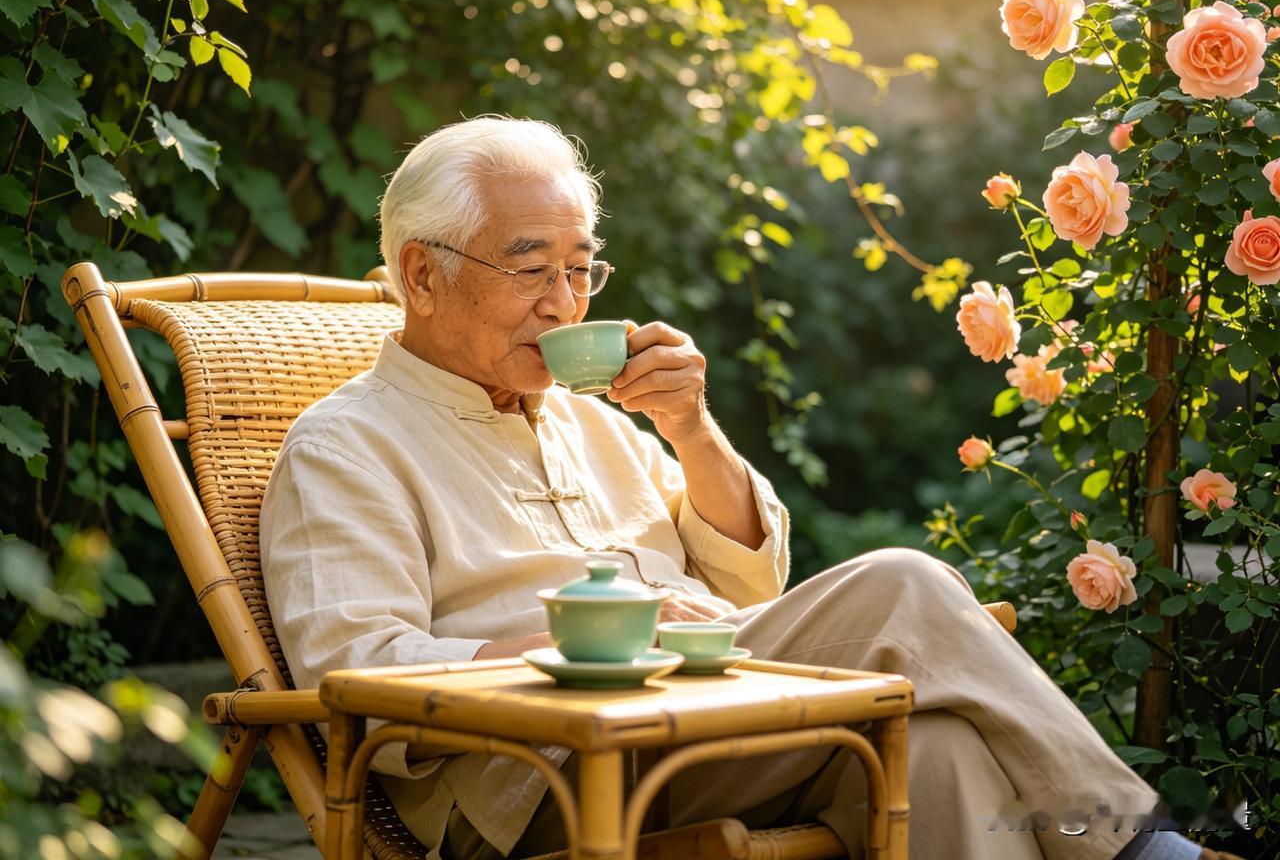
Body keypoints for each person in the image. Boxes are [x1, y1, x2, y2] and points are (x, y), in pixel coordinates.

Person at [259, 116, 1234, 860]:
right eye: (530, 272)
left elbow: (751, 600)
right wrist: (581, 642)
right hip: (531, 780)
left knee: (939, 749)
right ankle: (1142, 849)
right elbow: (358, 677)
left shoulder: (598, 420)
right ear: (421, 277)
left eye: (578, 271)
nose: (562, 304)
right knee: (898, 585)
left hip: (709, 726)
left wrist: (688, 431)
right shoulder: (345, 447)